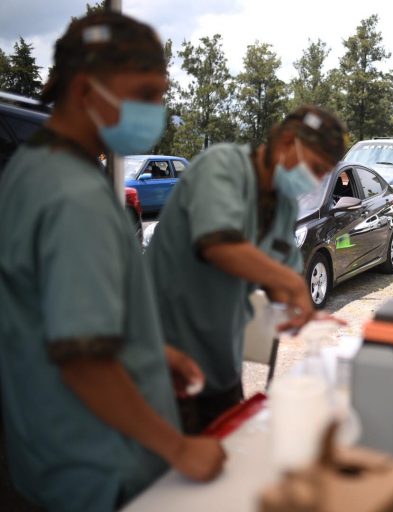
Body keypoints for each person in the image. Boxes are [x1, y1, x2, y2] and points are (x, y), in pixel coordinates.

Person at [0, 13, 225, 511]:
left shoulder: (28, 171)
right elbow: (85, 364)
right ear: (84, 90)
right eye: (145, 94)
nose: (158, 109)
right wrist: (178, 448)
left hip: (44, 460)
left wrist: (148, 351)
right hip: (104, 475)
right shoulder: (75, 198)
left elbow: (53, 314)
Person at [147, 105, 348, 433]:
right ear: (286, 141)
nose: (314, 179)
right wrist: (289, 283)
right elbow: (220, 246)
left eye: (323, 173)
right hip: (165, 359)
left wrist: (301, 314)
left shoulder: (283, 206)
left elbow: (280, 278)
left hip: (221, 363)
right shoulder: (222, 166)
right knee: (168, 477)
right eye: (313, 167)